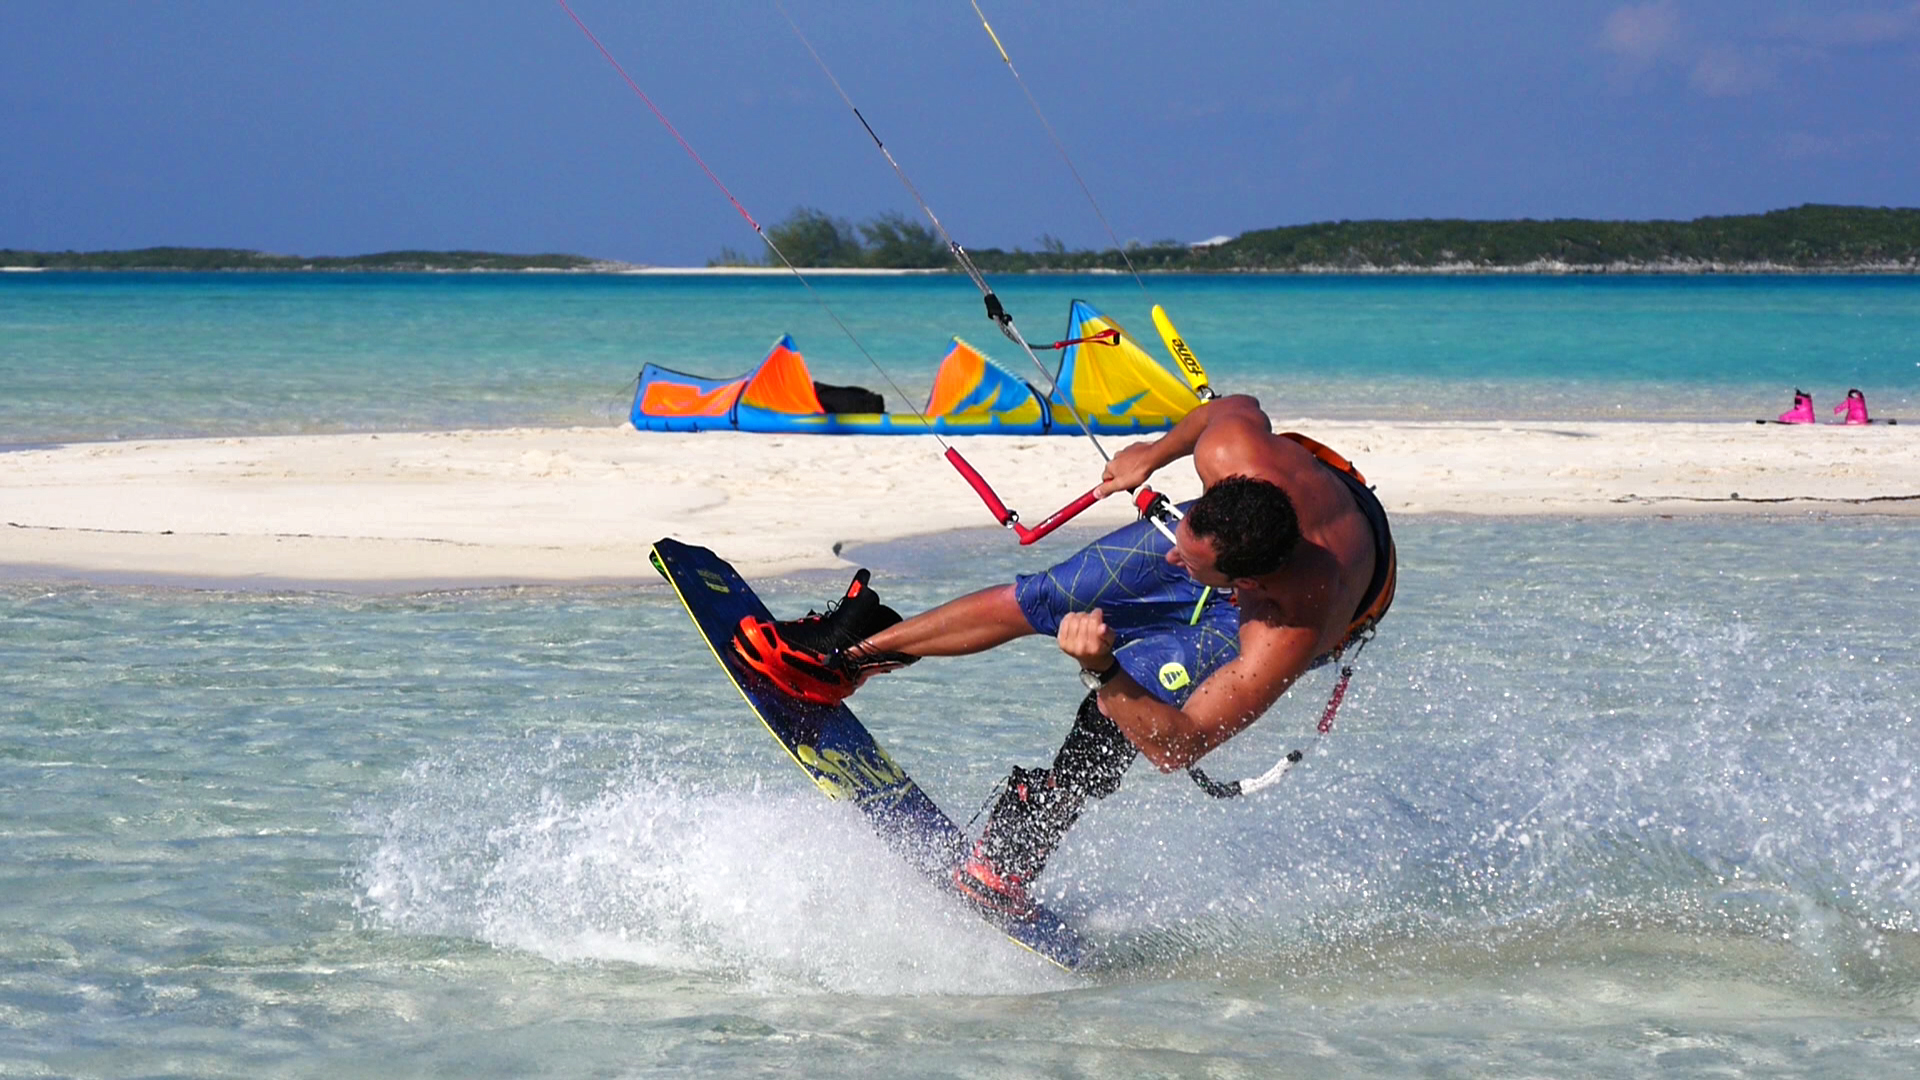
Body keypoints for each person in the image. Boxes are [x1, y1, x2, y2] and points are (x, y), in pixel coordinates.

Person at [732, 395, 1397, 915]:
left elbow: (1179, 747)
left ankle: (1022, 846)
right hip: (1248, 533)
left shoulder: (1285, 627)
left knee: (1125, 707)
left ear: (1242, 585)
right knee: (1049, 596)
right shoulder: (1233, 451)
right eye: (1179, 540)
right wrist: (1155, 453)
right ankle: (852, 656)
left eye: (1187, 564)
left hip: (1322, 586)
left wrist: (1105, 668)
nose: (1169, 557)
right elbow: (1236, 406)